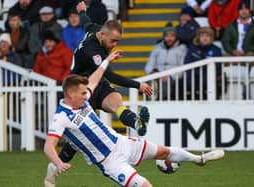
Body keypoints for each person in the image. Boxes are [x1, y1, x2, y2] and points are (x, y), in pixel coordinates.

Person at [44, 50, 225, 187]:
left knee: (162, 151)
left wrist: (106, 60)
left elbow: (93, 80)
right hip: (109, 161)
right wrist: (59, 163)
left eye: (86, 93)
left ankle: (199, 159)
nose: (87, 95)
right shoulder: (61, 117)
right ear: (70, 93)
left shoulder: (81, 98)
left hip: (121, 143)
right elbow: (48, 146)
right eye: (83, 93)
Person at [44, 1, 152, 186]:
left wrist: (82, 10)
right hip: (81, 91)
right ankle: (54, 168)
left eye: (117, 41)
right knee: (75, 145)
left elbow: (86, 21)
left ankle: (136, 122)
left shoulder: (95, 30)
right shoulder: (92, 51)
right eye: (113, 41)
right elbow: (109, 74)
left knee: (116, 101)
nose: (114, 45)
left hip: (96, 83)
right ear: (103, 35)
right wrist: (137, 85)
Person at [145, 23, 187, 100]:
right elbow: (149, 66)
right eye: (167, 36)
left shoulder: (182, 48)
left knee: (165, 83)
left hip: (173, 77)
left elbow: (182, 69)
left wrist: (169, 76)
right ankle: (151, 103)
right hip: (157, 75)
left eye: (172, 36)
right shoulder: (157, 47)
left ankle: (159, 101)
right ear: (163, 37)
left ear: (176, 37)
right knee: (151, 81)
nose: (169, 38)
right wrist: (153, 72)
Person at [184, 27, 223, 99]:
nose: (205, 38)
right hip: (194, 78)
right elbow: (187, 64)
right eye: (202, 36)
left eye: (207, 36)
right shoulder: (192, 49)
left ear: (211, 38)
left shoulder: (217, 50)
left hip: (210, 78)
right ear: (198, 37)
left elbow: (218, 67)